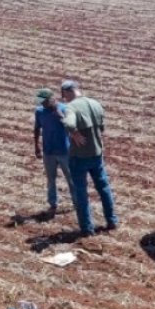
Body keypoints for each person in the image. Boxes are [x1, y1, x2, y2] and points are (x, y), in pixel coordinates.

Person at [60, 80, 119, 236]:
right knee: (104, 188)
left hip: (79, 157)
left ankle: (87, 228)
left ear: (67, 92)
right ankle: (112, 220)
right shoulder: (95, 103)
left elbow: (68, 123)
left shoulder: (71, 107)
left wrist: (74, 133)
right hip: (97, 154)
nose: (63, 99)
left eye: (63, 95)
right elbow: (102, 128)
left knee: (81, 193)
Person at [33, 88, 74, 215]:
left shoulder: (64, 108)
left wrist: (58, 113)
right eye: (41, 102)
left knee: (71, 179)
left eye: (44, 101)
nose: (42, 104)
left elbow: (71, 127)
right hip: (48, 151)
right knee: (51, 180)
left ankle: (77, 202)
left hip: (64, 151)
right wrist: (36, 146)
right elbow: (37, 129)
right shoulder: (39, 112)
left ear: (52, 99)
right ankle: (52, 203)